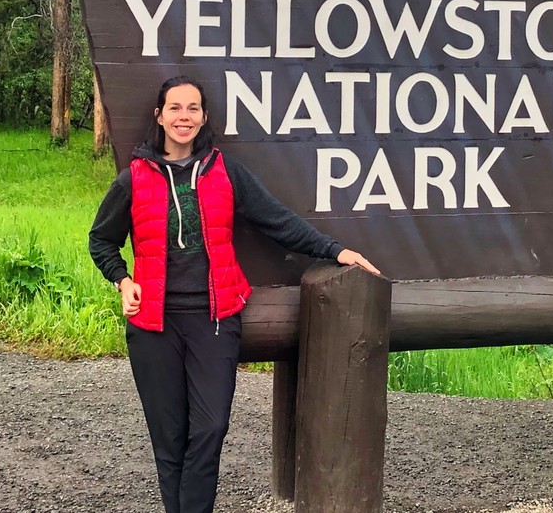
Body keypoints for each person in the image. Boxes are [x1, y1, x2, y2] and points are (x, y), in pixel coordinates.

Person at [89, 75, 378, 513]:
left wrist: (335, 250)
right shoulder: (135, 177)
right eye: (175, 108)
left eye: (192, 108)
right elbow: (101, 240)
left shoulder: (225, 171)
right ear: (159, 116)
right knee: (169, 440)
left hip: (215, 319)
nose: (183, 117)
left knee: (209, 429)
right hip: (153, 324)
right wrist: (123, 280)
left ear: (204, 117)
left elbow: (277, 221)